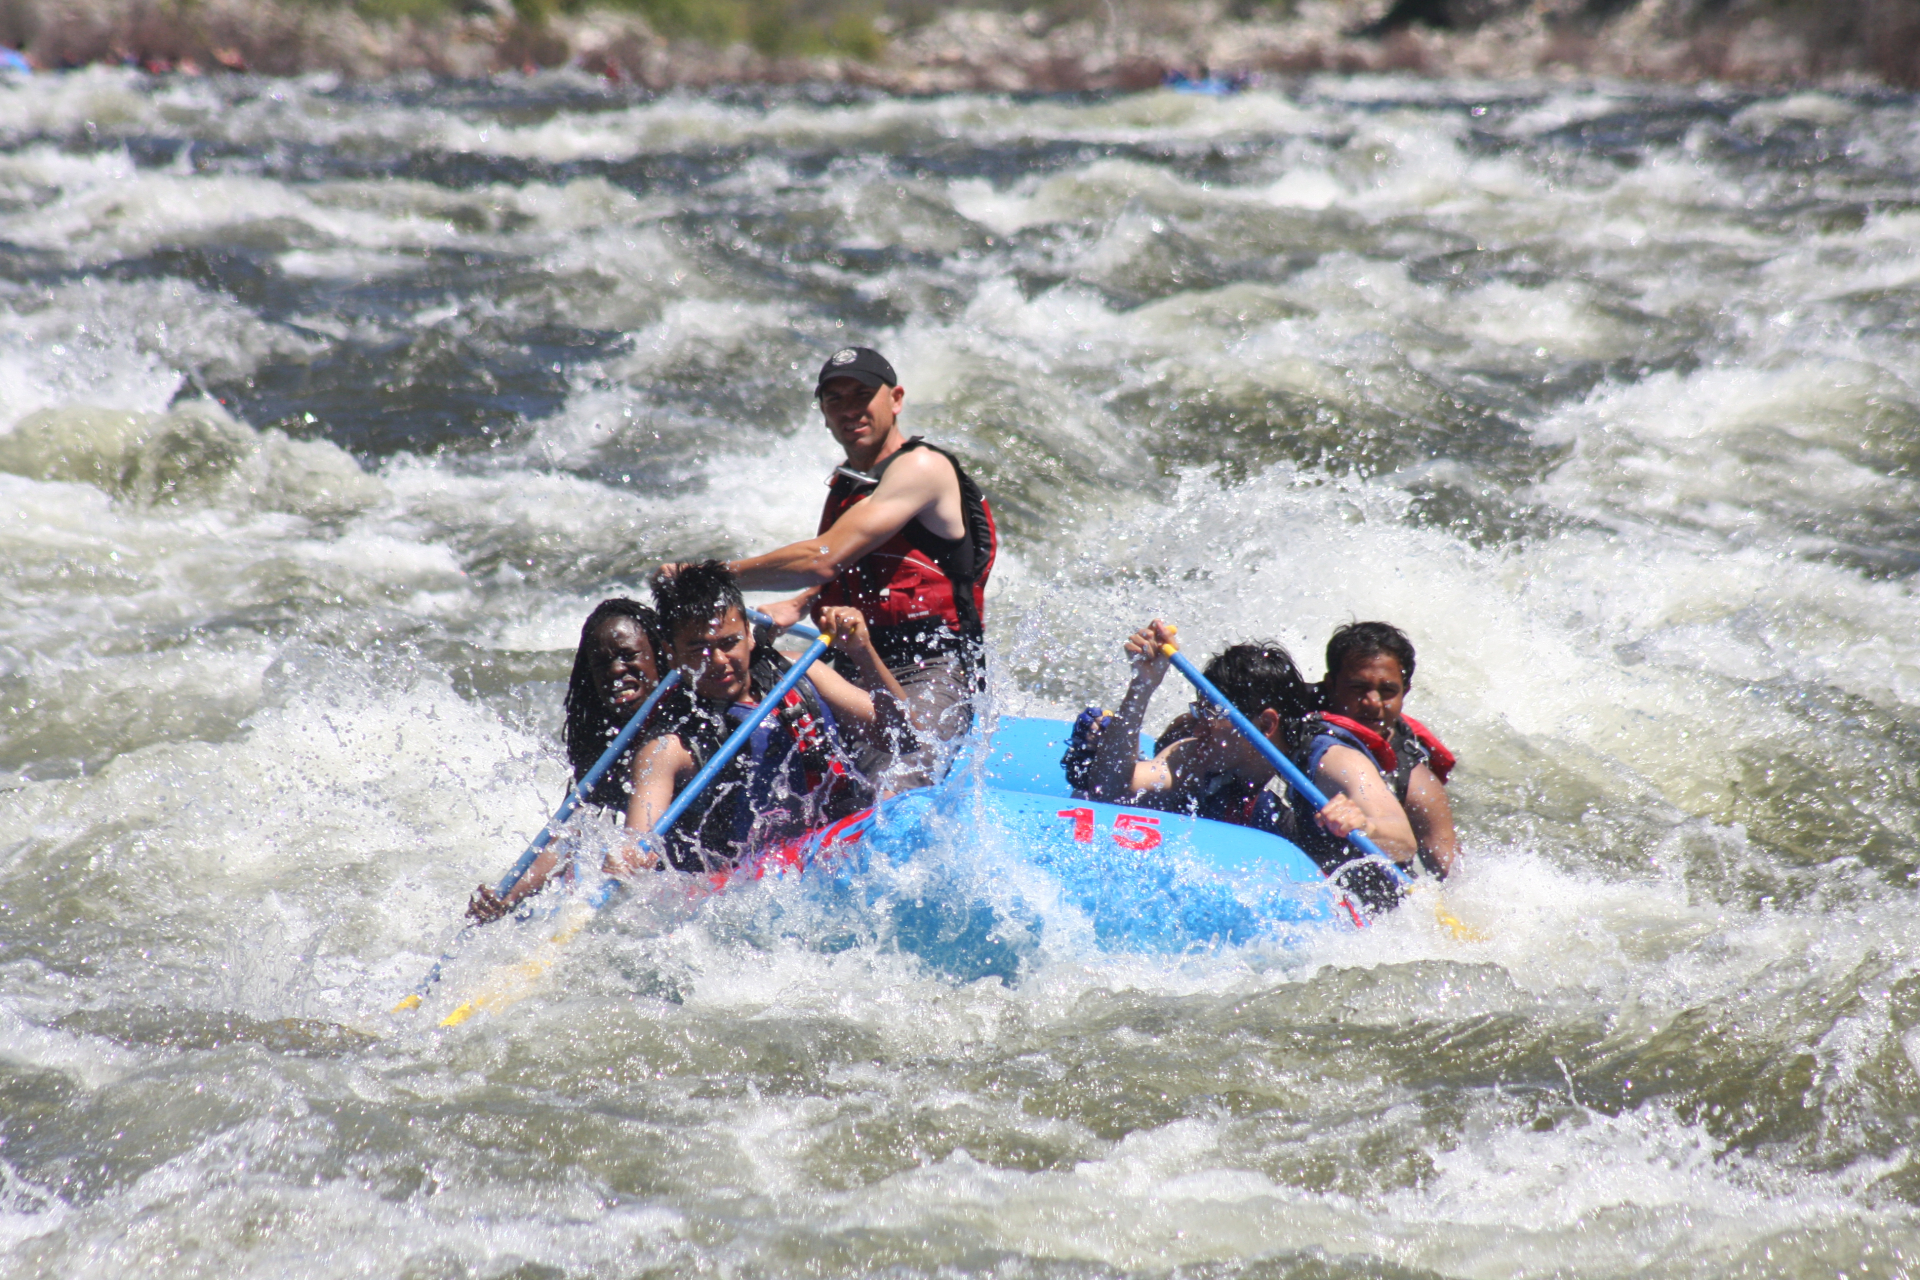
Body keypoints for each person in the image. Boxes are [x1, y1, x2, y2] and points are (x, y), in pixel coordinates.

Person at [688, 346, 998, 784]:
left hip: (929, 668)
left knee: (893, 783)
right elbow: (854, 567)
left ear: (896, 399)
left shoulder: (923, 467)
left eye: (862, 395)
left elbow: (823, 559)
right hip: (851, 663)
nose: (849, 409)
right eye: (835, 399)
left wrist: (708, 574)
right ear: (823, 413)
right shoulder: (851, 482)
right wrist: (800, 604)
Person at [1081, 620, 1419, 911]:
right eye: (1200, 710)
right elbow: (1110, 790)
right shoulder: (1201, 754)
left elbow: (1404, 841)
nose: (1199, 726)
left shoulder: (1332, 761)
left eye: (1212, 714)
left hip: (1361, 913)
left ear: (1266, 724)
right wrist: (1142, 685)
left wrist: (1364, 825)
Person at [614, 560, 913, 875]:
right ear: (671, 653)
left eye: (729, 642)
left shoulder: (799, 671)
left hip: (842, 839)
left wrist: (862, 652)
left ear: (749, 634)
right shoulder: (668, 746)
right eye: (698, 649)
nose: (718, 660)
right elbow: (639, 837)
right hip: (761, 879)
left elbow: (903, 737)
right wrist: (629, 856)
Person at [466, 597, 669, 923]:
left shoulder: (690, 724)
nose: (617, 670)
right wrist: (508, 896)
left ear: (660, 655)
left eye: (629, 655)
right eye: (602, 663)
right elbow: (565, 837)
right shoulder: (604, 746)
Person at [1317, 621, 1458, 877]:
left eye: (1388, 690)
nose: (1373, 702)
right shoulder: (1295, 721)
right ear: (1330, 685)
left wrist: (1366, 827)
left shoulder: (1416, 782)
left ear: (1405, 692)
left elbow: (1453, 874)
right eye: (1358, 688)